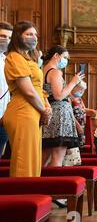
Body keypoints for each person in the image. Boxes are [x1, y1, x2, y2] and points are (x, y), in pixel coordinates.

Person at [2, 21, 52, 177]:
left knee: (33, 158)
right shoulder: (14, 57)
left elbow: (38, 88)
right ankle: (21, 197)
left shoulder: (28, 59)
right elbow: (28, 91)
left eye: (35, 34)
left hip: (33, 111)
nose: (34, 37)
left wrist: (47, 106)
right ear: (18, 36)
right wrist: (44, 110)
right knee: (24, 160)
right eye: (29, 34)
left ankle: (32, 195)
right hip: (23, 110)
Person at [41, 46, 84, 167]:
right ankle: (53, 185)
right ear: (56, 55)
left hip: (52, 112)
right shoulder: (55, 71)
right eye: (65, 57)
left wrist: (72, 92)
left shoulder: (44, 69)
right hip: (60, 115)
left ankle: (37, 182)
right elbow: (59, 96)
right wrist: (73, 82)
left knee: (46, 155)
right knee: (58, 156)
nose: (66, 60)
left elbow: (59, 94)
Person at [65, 80, 96, 165]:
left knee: (80, 149)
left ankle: (78, 167)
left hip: (82, 126)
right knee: (73, 149)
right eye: (80, 89)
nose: (82, 92)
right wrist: (78, 126)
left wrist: (93, 111)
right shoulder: (68, 98)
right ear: (74, 87)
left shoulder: (79, 99)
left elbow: (83, 109)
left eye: (83, 90)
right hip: (74, 127)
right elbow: (69, 114)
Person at [0, 22, 13, 157]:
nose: (6, 40)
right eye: (3, 36)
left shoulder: (6, 60)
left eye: (9, 38)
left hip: (3, 118)